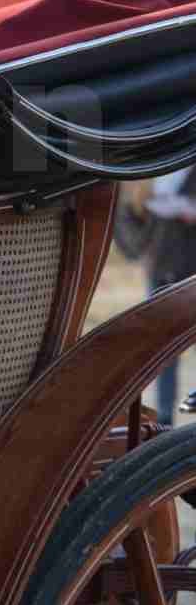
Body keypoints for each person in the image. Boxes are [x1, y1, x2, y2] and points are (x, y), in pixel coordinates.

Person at [114, 167, 196, 419]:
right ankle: (164, 422)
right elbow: (130, 225)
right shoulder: (153, 173)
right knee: (164, 352)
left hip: (192, 271)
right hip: (160, 272)